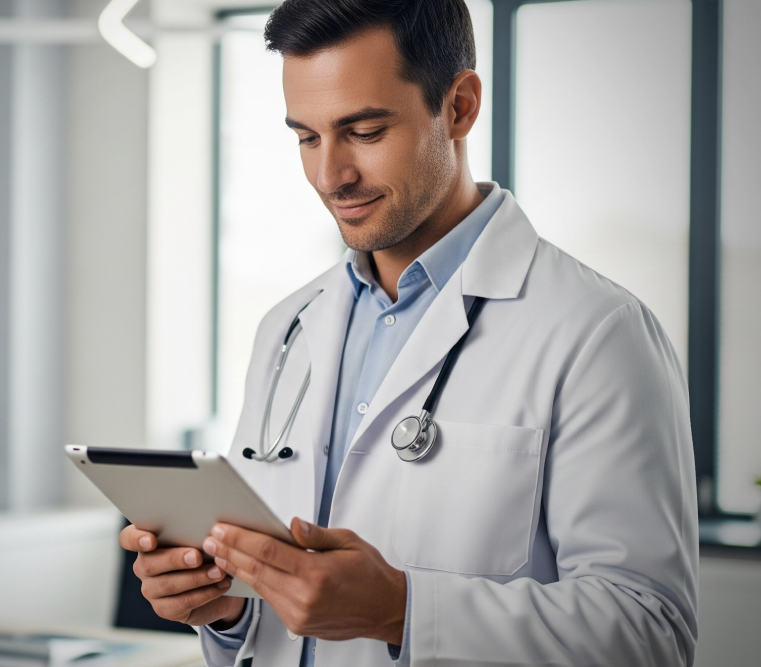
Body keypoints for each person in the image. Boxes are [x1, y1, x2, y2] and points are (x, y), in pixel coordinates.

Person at [119, 0, 698, 665]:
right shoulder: (288, 329)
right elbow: (276, 624)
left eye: (363, 130)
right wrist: (224, 608)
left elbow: (652, 632)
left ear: (459, 106)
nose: (329, 175)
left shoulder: (598, 334)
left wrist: (401, 607)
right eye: (306, 137)